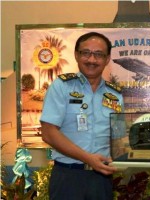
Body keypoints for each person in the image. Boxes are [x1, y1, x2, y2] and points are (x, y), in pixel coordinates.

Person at [40, 32, 124, 200]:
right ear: (76, 55)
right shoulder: (61, 87)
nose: (91, 60)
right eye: (86, 53)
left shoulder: (116, 95)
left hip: (101, 179)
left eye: (98, 54)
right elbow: (49, 133)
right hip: (68, 177)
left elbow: (119, 138)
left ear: (107, 59)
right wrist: (89, 159)